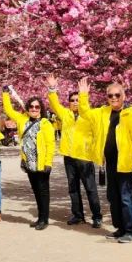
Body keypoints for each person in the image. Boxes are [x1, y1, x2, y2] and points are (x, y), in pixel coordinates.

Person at [81, 82, 132, 244]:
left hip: (126, 164)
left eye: (117, 95)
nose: (113, 98)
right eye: (110, 95)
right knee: (113, 197)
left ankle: (131, 230)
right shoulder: (103, 113)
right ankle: (121, 228)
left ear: (124, 96)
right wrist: (83, 95)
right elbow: (85, 113)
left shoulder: (131, 115)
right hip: (110, 163)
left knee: (126, 197)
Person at [47, 75, 103, 229]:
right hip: (69, 157)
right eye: (72, 100)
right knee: (73, 188)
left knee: (90, 188)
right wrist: (52, 89)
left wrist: (84, 95)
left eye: (78, 99)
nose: (75, 102)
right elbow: (54, 103)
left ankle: (97, 216)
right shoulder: (65, 114)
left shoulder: (90, 116)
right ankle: (78, 215)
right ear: (69, 103)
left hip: (85, 158)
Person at [2, 88, 56, 230]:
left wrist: (48, 163)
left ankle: (44, 219)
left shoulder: (46, 123)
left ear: (41, 109)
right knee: (36, 190)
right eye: (31, 106)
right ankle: (40, 217)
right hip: (29, 162)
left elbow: (51, 145)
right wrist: (5, 94)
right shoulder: (22, 119)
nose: (34, 109)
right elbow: (8, 110)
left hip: (41, 163)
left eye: (37, 107)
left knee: (43, 191)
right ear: (27, 108)